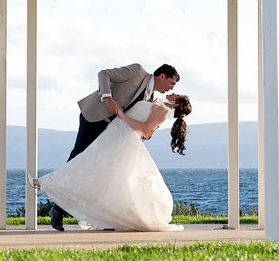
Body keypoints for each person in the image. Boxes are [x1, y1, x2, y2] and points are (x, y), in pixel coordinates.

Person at [38, 90, 192, 232]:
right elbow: (147, 132)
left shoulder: (163, 111)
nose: (173, 92)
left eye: (177, 95)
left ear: (177, 104)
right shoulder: (159, 103)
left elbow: (144, 128)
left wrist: (122, 115)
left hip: (122, 138)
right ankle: (57, 195)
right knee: (96, 168)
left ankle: (47, 185)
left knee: (92, 166)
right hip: (115, 133)